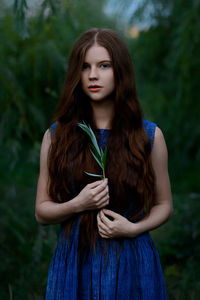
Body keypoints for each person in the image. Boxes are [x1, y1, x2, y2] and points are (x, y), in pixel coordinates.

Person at [35, 28, 173, 299]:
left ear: (120, 70)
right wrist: (78, 204)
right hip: (75, 261)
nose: (93, 75)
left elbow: (164, 204)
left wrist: (133, 228)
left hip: (132, 260)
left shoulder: (148, 136)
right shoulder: (56, 136)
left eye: (104, 65)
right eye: (85, 67)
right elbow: (41, 211)